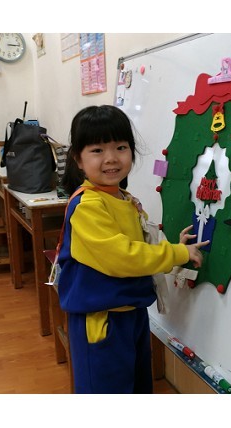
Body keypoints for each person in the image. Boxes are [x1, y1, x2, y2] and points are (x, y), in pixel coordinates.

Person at [58, 105, 209, 393]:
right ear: (78, 159)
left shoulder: (123, 198)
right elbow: (123, 257)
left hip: (132, 312)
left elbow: (140, 243)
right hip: (102, 319)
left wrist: (174, 246)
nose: (111, 158)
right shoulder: (88, 206)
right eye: (97, 150)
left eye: (121, 147)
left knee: (137, 387)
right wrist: (177, 254)